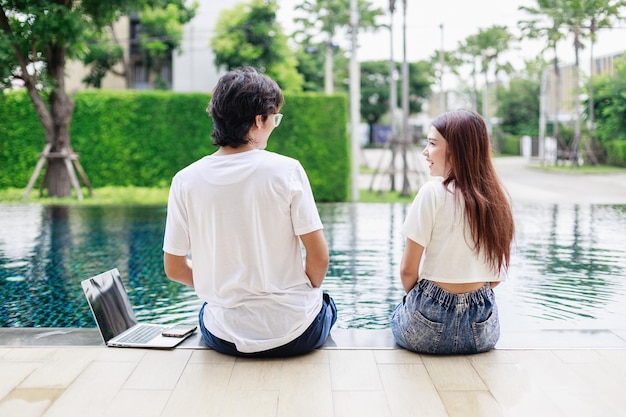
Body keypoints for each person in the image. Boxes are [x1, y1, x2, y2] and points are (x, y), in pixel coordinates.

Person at [162, 67, 337, 358]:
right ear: (258, 120)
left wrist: (219, 287)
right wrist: (300, 290)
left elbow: (175, 268)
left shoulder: (185, 180)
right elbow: (319, 259)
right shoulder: (287, 170)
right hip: (296, 333)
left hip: (225, 337)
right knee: (326, 302)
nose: (273, 125)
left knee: (209, 308)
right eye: (274, 119)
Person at [390, 110, 514, 355]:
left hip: (426, 327)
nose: (425, 151)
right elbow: (495, 278)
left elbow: (407, 271)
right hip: (481, 333)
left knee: (395, 314)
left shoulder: (432, 193)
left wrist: (423, 301)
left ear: (457, 150)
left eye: (433, 143)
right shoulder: (497, 199)